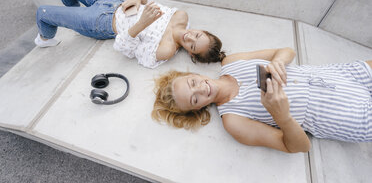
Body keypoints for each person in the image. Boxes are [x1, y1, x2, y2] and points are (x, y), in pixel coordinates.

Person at [152, 47, 372, 153]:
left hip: (339, 74)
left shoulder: (231, 62)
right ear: (197, 109)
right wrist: (282, 116)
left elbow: (286, 50)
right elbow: (298, 147)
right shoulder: (234, 121)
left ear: (194, 74)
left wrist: (277, 62)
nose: (201, 89)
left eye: (193, 83)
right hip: (341, 115)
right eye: (194, 99)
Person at [35, 0, 225, 68]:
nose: (189, 37)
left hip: (101, 22)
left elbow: (122, 47)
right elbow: (147, 4)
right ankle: (73, 13)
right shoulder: (181, 16)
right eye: (198, 35)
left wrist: (141, 25)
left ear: (191, 53)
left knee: (42, 12)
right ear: (202, 30)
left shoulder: (166, 49)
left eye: (192, 45)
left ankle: (46, 38)